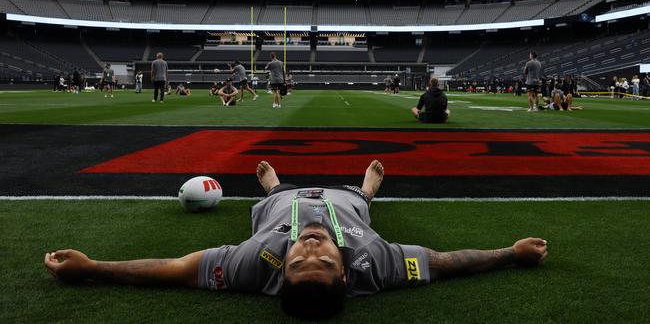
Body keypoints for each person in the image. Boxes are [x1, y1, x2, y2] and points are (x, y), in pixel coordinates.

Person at [43, 160, 548, 321]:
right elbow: (446, 261)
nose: (308, 249)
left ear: (278, 272)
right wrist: (511, 253)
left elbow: (174, 268)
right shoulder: (376, 265)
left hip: (280, 202)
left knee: (276, 195)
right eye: (321, 261)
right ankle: (369, 188)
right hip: (346, 198)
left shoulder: (250, 266)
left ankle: (273, 186)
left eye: (297, 262)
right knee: (361, 199)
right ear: (345, 273)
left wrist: (93, 268)